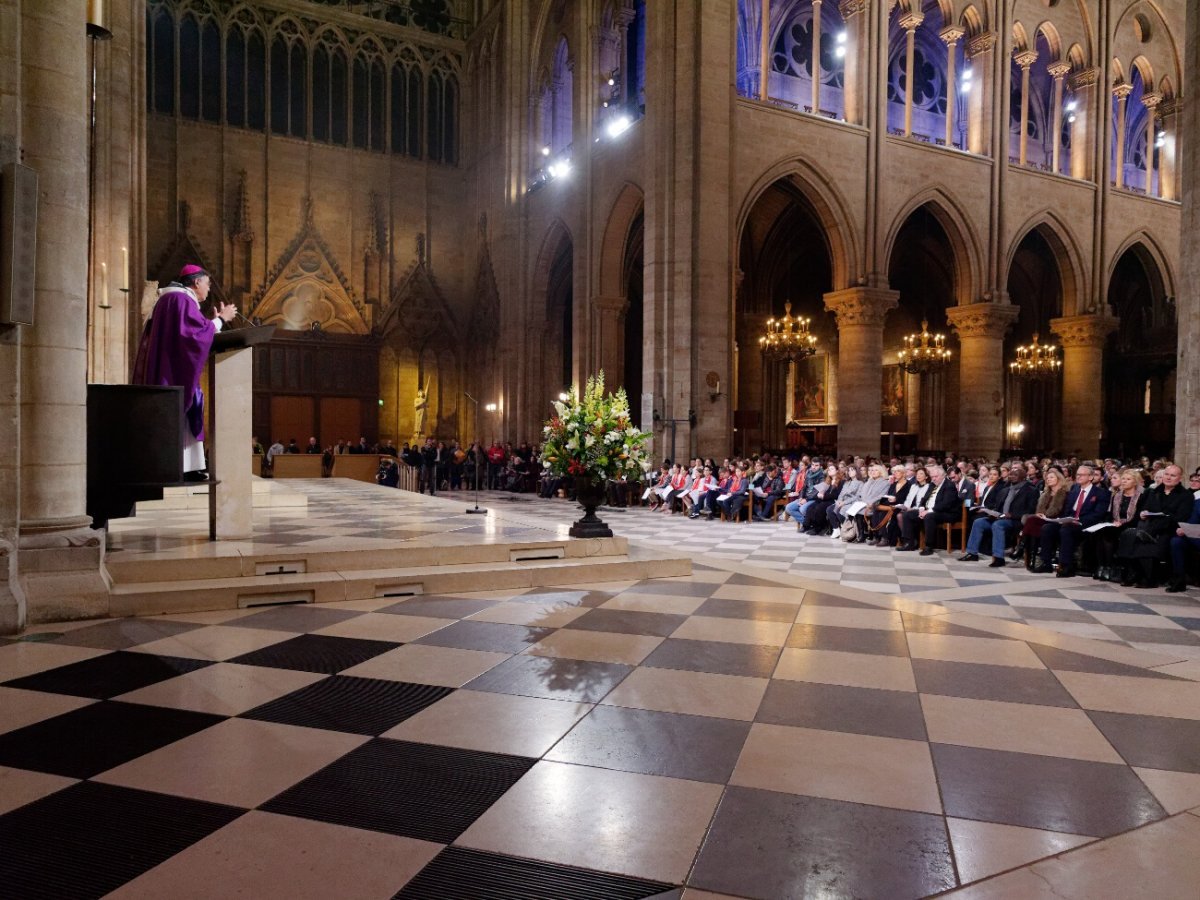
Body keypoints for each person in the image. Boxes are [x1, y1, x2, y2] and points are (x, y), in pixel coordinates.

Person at [132, 264, 237, 480]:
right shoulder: (180, 300)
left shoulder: (173, 300)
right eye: (207, 284)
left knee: (191, 408)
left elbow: (189, 333)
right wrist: (221, 320)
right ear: (196, 282)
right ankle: (181, 467)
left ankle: (188, 466)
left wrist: (210, 325)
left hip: (171, 370)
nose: (208, 290)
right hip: (173, 374)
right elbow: (191, 336)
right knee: (189, 406)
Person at [1116, 465, 1193, 588]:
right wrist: (1142, 514)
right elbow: (1141, 510)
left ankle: (1148, 577)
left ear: (1180, 478)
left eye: (1173, 475)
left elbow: (1180, 518)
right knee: (1129, 534)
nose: (1168, 478)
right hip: (1148, 526)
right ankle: (1131, 573)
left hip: (1169, 528)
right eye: (1166, 474)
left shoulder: (1185, 495)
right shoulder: (1152, 492)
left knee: (1155, 538)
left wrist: (1157, 524)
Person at [1034, 464, 1110, 577]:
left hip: (1085, 524)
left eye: (1082, 475)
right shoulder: (1074, 490)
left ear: (1090, 477)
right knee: (1047, 528)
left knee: (1066, 530)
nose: (1078, 477)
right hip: (1069, 521)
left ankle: (1066, 566)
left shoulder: (1101, 493)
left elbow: (1098, 514)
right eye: (1077, 474)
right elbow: (1067, 509)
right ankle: (1046, 563)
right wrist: (1063, 519)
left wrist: (1078, 520)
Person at [959, 466, 1037, 567]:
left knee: (998, 525)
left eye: (1015, 475)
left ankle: (998, 557)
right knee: (979, 522)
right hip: (1001, 517)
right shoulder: (1006, 490)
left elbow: (1030, 511)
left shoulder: (1030, 490)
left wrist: (1011, 515)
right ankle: (972, 553)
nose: (1011, 476)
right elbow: (997, 507)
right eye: (1011, 474)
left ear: (1023, 476)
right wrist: (992, 513)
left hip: (1016, 521)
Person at [1093, 469, 1144, 582]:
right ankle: (1103, 566)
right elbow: (1111, 515)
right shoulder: (1116, 496)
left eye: (1128, 479)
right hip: (1116, 524)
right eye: (1123, 479)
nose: (1124, 481)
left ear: (1135, 482)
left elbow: (1137, 517)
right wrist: (1110, 522)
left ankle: (1111, 567)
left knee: (1109, 533)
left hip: (1131, 525)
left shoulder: (1140, 497)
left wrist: (1121, 523)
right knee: (1100, 531)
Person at [897, 465, 961, 555]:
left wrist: (928, 511)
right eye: (932, 477)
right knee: (907, 514)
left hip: (947, 513)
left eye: (936, 476)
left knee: (929, 516)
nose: (933, 479)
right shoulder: (932, 485)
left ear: (943, 476)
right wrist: (922, 509)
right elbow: (924, 499)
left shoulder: (949, 485)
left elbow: (946, 504)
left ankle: (929, 546)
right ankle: (909, 543)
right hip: (931, 511)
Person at [1166, 493, 1200, 593]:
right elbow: (1193, 520)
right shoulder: (1198, 501)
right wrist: (1184, 528)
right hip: (1196, 535)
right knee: (1176, 542)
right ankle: (1179, 580)